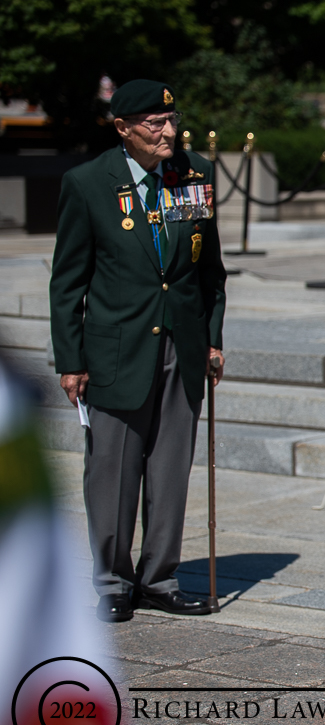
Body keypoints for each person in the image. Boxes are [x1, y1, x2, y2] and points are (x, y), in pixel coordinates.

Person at [49, 80, 226, 622]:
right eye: (155, 123)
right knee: (113, 469)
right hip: (117, 347)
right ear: (123, 128)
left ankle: (160, 579)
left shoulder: (192, 174)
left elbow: (209, 270)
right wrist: (71, 359)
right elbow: (67, 281)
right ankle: (111, 581)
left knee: (171, 466)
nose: (169, 131)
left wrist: (214, 336)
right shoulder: (87, 183)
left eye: (172, 120)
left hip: (182, 341)